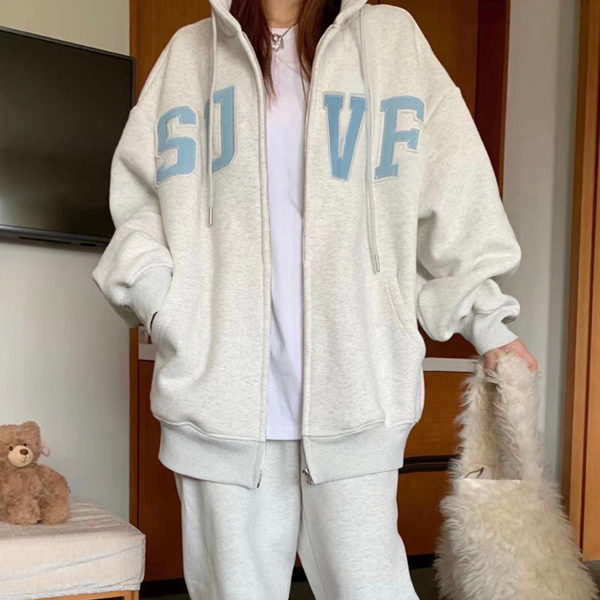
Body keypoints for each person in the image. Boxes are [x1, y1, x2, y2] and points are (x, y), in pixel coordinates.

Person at [92, 0, 537, 597]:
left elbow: (454, 190)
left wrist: (487, 319)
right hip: (219, 401)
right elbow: (139, 206)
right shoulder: (190, 55)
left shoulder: (391, 42)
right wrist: (164, 304)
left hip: (356, 395)